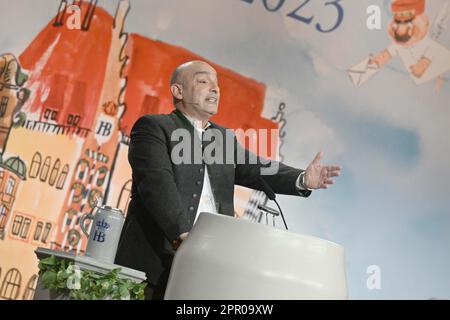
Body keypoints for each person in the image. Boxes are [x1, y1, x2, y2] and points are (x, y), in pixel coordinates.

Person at [115, 60, 341, 299]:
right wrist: (183, 236)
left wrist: (302, 179)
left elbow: (257, 168)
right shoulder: (154, 127)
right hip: (151, 269)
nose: (214, 89)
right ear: (178, 91)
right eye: (203, 81)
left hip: (207, 272)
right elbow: (157, 184)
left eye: (217, 85)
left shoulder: (222, 139)